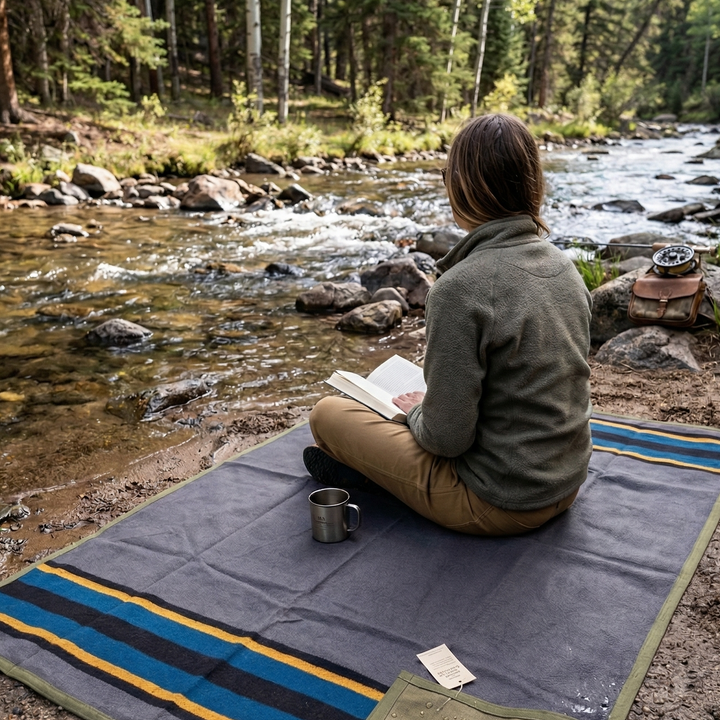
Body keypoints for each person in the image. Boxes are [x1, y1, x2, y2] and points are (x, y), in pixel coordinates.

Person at [303, 113, 592, 536]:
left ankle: (374, 477)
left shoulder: (459, 288)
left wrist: (415, 411)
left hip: (497, 502)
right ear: (532, 184)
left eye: (446, 176)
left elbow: (446, 441)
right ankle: (374, 473)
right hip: (565, 484)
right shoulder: (566, 268)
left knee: (327, 415)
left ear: (461, 186)